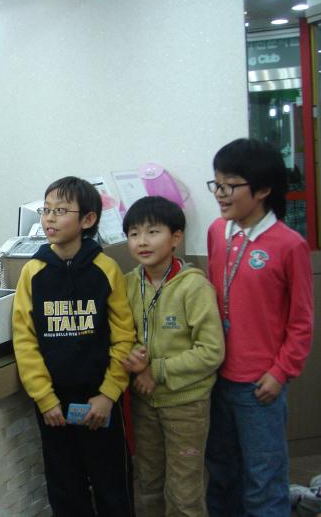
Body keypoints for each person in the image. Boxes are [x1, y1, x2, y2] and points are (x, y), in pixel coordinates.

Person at [12, 176, 136, 516]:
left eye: (61, 211)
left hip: (101, 401)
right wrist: (44, 397)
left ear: (88, 219)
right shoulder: (32, 272)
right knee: (65, 489)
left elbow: (124, 336)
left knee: (113, 486)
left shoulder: (106, 269)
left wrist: (109, 393)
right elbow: (25, 340)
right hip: (54, 405)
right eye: (46, 210)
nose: (49, 218)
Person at [204, 138, 314, 517]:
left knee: (263, 481)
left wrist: (281, 372)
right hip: (215, 376)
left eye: (230, 185)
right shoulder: (217, 232)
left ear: (264, 189)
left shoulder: (289, 244)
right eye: (217, 184)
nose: (220, 194)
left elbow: (301, 321)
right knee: (221, 474)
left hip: (260, 386)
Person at [121, 196, 224, 517]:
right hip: (143, 402)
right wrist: (134, 359)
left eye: (153, 232)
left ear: (175, 237)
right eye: (134, 233)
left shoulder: (193, 287)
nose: (142, 241)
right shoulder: (127, 284)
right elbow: (121, 336)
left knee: (184, 490)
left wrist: (155, 370)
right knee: (148, 483)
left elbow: (211, 351)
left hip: (186, 404)